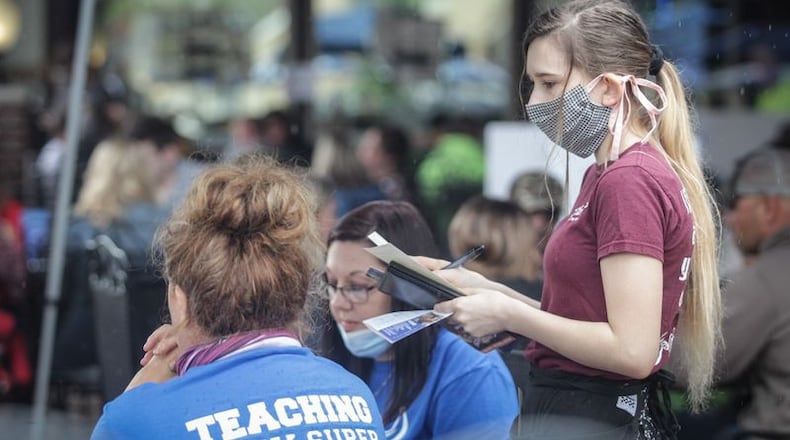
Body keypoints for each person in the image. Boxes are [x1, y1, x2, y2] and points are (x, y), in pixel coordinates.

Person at [419, 1, 722, 438]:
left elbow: (631, 350)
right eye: (532, 84)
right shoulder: (610, 173)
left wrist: (507, 312)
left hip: (591, 416)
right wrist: (489, 292)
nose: (534, 102)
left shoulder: (628, 180)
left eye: (549, 83)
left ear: (610, 89)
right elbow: (584, 324)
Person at [90, 156, 386, 439]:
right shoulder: (357, 398)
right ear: (298, 298)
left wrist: (147, 381)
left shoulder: (136, 420)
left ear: (180, 298)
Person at [317, 200, 518, 440]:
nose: (338, 303)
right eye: (331, 283)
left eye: (357, 286)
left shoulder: (469, 370)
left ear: (410, 287)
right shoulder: (338, 363)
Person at [680, 147, 790, 439]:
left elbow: (699, 363)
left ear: (770, 208)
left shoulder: (770, 275)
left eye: (737, 203)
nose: (729, 219)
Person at [508, 170, 564, 255]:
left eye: (549, 214)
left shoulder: (563, 257)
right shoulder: (494, 256)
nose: (539, 224)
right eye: (529, 214)